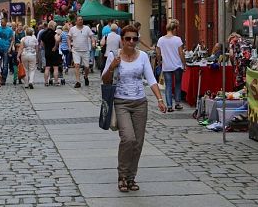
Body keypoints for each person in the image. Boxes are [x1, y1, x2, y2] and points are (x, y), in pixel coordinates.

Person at [102, 25, 166, 192]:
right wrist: (112, 67)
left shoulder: (143, 56)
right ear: (122, 40)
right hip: (121, 102)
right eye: (128, 38)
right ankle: (122, 175)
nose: (131, 42)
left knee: (137, 143)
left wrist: (160, 99)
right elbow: (105, 80)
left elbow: (151, 79)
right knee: (128, 139)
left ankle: (131, 178)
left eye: (134, 38)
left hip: (140, 103)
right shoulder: (113, 56)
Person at [156, 19, 186, 112]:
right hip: (177, 65)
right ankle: (177, 103)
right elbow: (181, 53)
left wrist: (160, 62)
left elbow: (158, 53)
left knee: (168, 85)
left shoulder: (161, 40)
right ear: (174, 29)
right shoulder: (177, 39)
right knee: (177, 84)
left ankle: (169, 106)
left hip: (167, 66)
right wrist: (184, 64)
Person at [68, 16, 95, 88]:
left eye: (81, 19)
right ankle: (78, 82)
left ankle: (86, 77)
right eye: (79, 20)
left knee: (87, 67)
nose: (80, 21)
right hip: (76, 50)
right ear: (76, 21)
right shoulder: (72, 29)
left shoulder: (87, 28)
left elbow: (92, 36)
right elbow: (69, 38)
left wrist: (93, 43)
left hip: (85, 50)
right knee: (77, 65)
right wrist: (69, 46)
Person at [0, 18, 14, 85]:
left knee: (5, 64)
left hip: (6, 48)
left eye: (3, 22)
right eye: (1, 22)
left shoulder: (9, 30)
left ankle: (4, 79)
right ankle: (0, 76)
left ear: (6, 22)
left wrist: (10, 48)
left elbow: (12, 40)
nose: (1, 23)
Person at [41, 21, 61, 86]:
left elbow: (42, 43)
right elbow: (57, 40)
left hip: (47, 51)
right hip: (54, 52)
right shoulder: (54, 33)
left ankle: (46, 82)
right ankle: (56, 82)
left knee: (47, 67)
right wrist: (55, 46)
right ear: (53, 26)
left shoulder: (43, 33)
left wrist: (46, 48)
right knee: (55, 67)